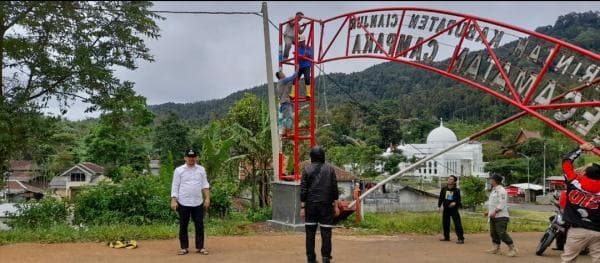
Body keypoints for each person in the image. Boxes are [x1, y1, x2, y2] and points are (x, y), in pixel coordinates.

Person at [560, 142, 600, 263]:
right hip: (598, 231)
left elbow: (566, 162)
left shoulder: (574, 181)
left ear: (584, 173)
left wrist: (580, 149)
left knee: (568, 260)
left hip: (577, 230)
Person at [300, 146, 340, 263]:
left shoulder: (306, 170)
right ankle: (326, 258)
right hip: (326, 205)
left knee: (310, 233)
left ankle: (311, 259)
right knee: (326, 232)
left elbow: (303, 190)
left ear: (311, 157)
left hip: (311, 206)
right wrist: (336, 206)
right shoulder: (330, 169)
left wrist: (303, 207)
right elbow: (334, 189)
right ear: (323, 156)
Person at [171, 149, 211, 256]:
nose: (191, 159)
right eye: (189, 157)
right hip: (183, 202)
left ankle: (200, 247)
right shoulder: (179, 170)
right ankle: (184, 248)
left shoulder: (201, 170)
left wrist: (207, 198)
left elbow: (205, 185)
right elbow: (175, 186)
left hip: (198, 202)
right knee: (183, 225)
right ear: (185, 158)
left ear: (196, 158)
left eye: (193, 157)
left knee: (199, 225)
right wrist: (174, 200)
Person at [484, 174, 518, 257]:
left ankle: (512, 249)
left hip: (501, 216)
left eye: (491, 179)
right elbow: (493, 203)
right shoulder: (494, 190)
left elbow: (502, 203)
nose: (489, 181)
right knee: (493, 233)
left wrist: (495, 212)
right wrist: (488, 211)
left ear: (495, 181)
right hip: (493, 215)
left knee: (501, 233)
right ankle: (496, 248)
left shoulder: (501, 190)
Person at [438, 175, 465, 244]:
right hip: (446, 209)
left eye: (451, 179)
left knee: (457, 224)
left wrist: (455, 203)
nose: (449, 180)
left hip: (454, 209)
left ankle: (461, 238)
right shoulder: (444, 189)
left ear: (454, 181)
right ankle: (446, 237)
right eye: (449, 179)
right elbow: (441, 198)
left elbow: (459, 200)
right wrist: (439, 206)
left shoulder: (456, 190)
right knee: (445, 223)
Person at [275, 70, 298, 136]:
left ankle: (285, 131)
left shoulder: (279, 83)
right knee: (289, 117)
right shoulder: (283, 80)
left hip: (283, 102)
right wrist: (297, 69)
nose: (284, 74)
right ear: (280, 76)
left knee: (287, 117)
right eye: (282, 73)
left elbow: (290, 81)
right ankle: (288, 132)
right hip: (285, 102)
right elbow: (293, 77)